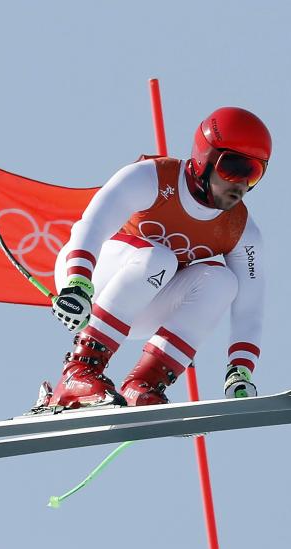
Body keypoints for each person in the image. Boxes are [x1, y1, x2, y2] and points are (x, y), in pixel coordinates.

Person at [41, 107, 271, 409]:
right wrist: (78, 282)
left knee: (223, 282)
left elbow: (249, 308)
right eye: (233, 169)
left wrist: (240, 369)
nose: (240, 185)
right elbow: (91, 227)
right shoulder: (152, 177)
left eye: (253, 173)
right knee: (160, 258)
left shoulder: (241, 229)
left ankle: (143, 384)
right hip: (94, 278)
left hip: (146, 301)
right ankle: (78, 373)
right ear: (206, 158)